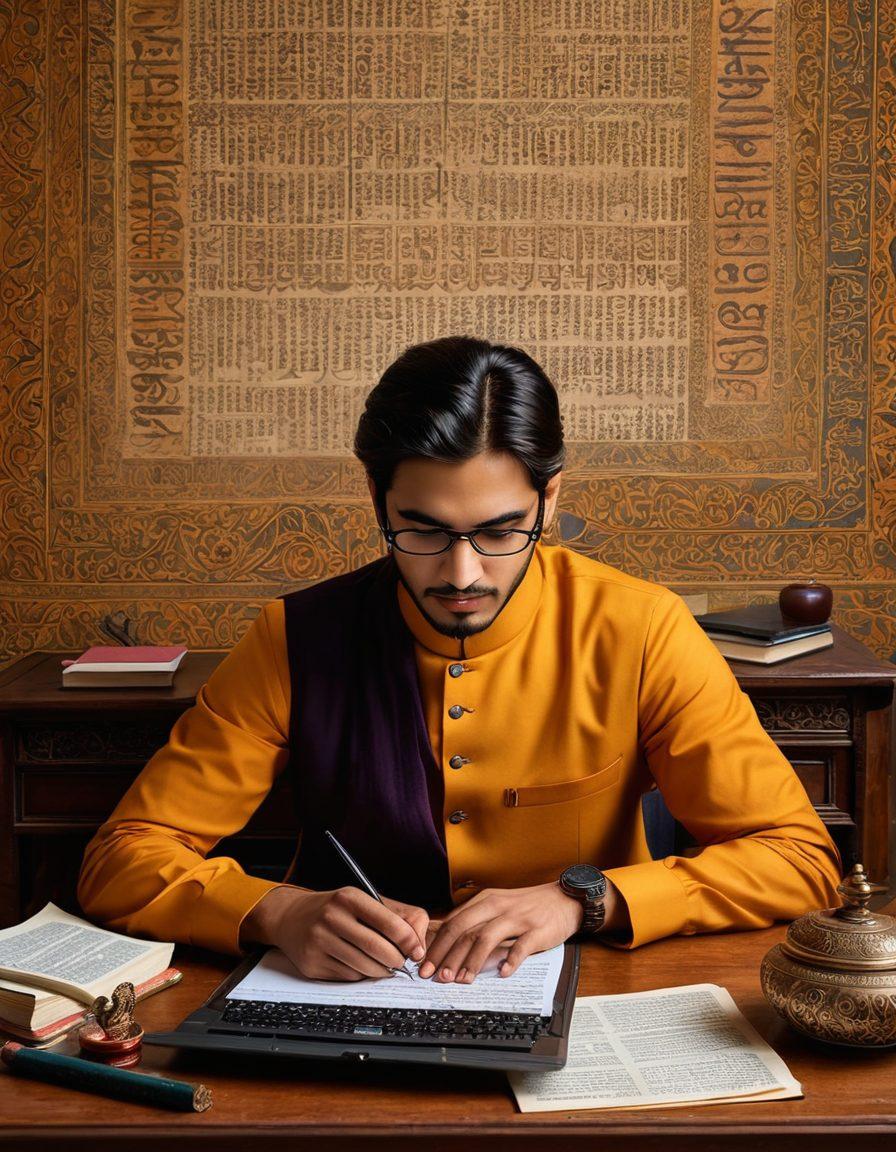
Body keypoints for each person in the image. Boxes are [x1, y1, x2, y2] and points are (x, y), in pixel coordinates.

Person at [78, 336, 842, 986]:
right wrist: (276, 911)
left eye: (501, 532)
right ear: (377, 498)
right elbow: (121, 860)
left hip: (589, 999)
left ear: (548, 500)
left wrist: (585, 900)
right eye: (424, 531)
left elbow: (799, 860)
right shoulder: (296, 637)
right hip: (344, 1012)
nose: (462, 574)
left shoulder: (642, 629)